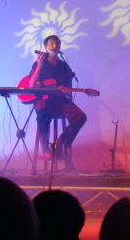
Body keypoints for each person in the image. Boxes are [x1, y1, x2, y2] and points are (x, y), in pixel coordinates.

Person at [26, 35, 87, 171]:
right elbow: (30, 84)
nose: (54, 46)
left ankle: (59, 144)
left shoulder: (64, 65)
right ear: (46, 47)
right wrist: (39, 65)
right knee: (43, 113)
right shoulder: (39, 63)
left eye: (57, 44)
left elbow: (67, 88)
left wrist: (65, 90)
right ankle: (45, 148)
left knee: (81, 117)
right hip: (44, 101)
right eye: (51, 44)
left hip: (59, 101)